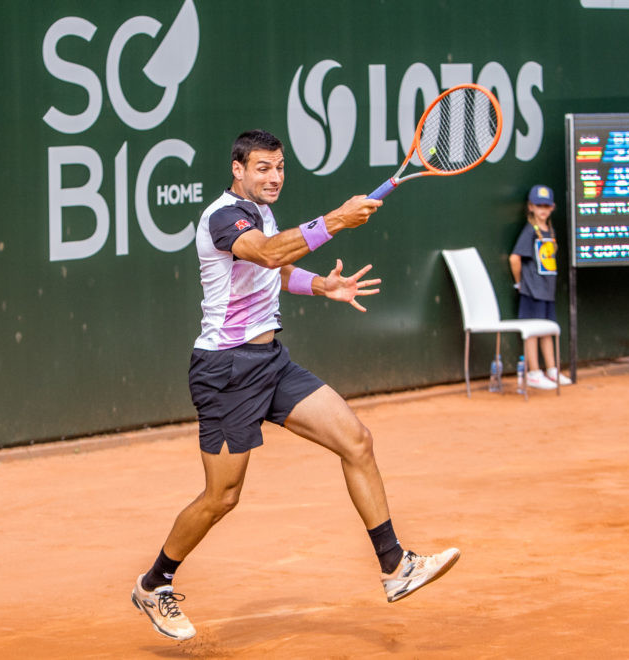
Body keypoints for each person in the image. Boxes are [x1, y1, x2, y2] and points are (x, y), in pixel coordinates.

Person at [131, 129, 460, 641]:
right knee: (222, 497)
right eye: (263, 167)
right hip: (225, 372)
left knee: (357, 440)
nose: (274, 176)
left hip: (272, 363)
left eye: (280, 167)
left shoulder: (261, 214)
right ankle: (155, 584)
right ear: (237, 168)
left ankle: (395, 567)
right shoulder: (224, 216)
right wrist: (335, 220)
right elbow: (263, 254)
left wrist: (322, 283)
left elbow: (274, 269)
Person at [508, 184, 572, 390]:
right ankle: (534, 372)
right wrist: (520, 283)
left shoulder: (550, 230)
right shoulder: (529, 231)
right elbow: (514, 258)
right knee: (532, 333)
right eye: (538, 205)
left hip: (547, 291)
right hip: (532, 291)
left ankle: (552, 370)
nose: (543, 210)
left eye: (546, 206)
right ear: (531, 207)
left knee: (547, 331)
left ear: (552, 207)